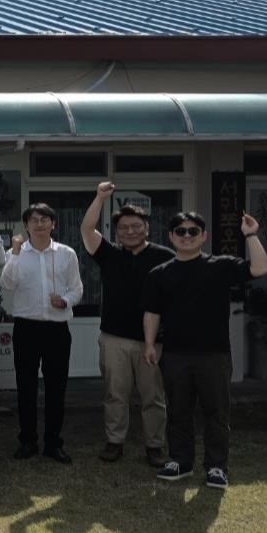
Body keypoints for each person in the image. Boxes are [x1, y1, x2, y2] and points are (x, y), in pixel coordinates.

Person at [144, 211, 267, 490]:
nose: (186, 235)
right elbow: (152, 312)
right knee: (179, 411)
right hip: (176, 354)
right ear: (171, 236)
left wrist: (250, 235)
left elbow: (260, 269)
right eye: (180, 231)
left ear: (204, 235)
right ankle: (180, 461)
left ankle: (216, 467)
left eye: (193, 231)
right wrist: (150, 344)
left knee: (216, 413)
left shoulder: (220, 266)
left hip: (214, 354)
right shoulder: (159, 274)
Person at [80, 182, 174, 466]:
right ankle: (114, 441)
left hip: (153, 341)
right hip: (114, 337)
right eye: (123, 228)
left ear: (147, 227)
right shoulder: (110, 254)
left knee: (153, 396)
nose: (130, 232)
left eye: (136, 226)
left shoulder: (165, 257)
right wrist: (98, 198)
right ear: (116, 232)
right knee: (114, 394)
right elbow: (86, 230)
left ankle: (155, 446)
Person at [1, 203, 84, 464]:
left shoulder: (66, 253)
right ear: (26, 225)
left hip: (57, 328)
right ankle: (27, 441)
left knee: (56, 387)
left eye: (45, 219)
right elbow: (8, 283)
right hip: (26, 327)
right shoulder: (16, 253)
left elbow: (77, 288)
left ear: (53, 224)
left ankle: (53, 443)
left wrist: (67, 301)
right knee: (25, 386)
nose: (39, 224)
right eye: (34, 220)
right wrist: (14, 252)